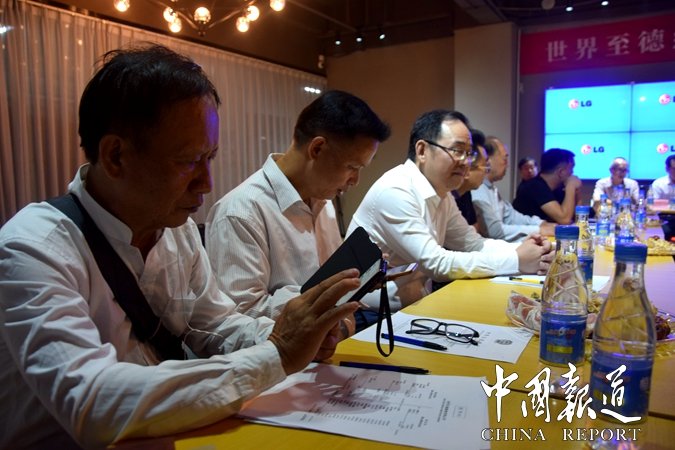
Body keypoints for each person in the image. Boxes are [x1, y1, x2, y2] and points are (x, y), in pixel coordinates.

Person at [0, 44, 362, 449]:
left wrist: (294, 334)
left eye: (211, 157)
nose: (206, 183)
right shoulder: (35, 248)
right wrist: (276, 353)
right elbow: (93, 402)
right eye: (188, 161)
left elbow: (215, 324)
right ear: (116, 156)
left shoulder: (176, 230)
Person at [205, 90, 390, 334]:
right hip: (282, 354)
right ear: (317, 149)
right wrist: (322, 294)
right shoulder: (241, 212)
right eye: (352, 167)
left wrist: (356, 282)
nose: (355, 180)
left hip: (333, 340)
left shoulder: (323, 203)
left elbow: (334, 289)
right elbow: (240, 315)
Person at [346, 109, 553, 312]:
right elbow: (436, 263)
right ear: (422, 151)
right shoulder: (396, 190)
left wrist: (528, 251)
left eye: (469, 153)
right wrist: (517, 260)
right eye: (457, 150)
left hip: (414, 306)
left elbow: (472, 244)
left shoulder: (442, 192)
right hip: (370, 315)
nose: (465, 162)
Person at [472, 137, 555, 242]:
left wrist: (541, 224)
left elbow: (511, 216)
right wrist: (539, 230)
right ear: (487, 159)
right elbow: (494, 231)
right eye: (505, 159)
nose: (507, 165)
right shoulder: (478, 189)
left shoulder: (491, 188)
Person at [513, 148, 581, 224]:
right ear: (561, 172)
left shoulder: (558, 188)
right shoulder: (535, 187)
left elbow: (578, 218)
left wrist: (576, 193)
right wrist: (571, 186)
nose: (572, 172)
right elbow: (565, 219)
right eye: (571, 168)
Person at [452, 128, 489, 230]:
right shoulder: (446, 197)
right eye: (485, 166)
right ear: (468, 169)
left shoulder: (466, 193)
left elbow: (474, 231)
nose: (486, 172)